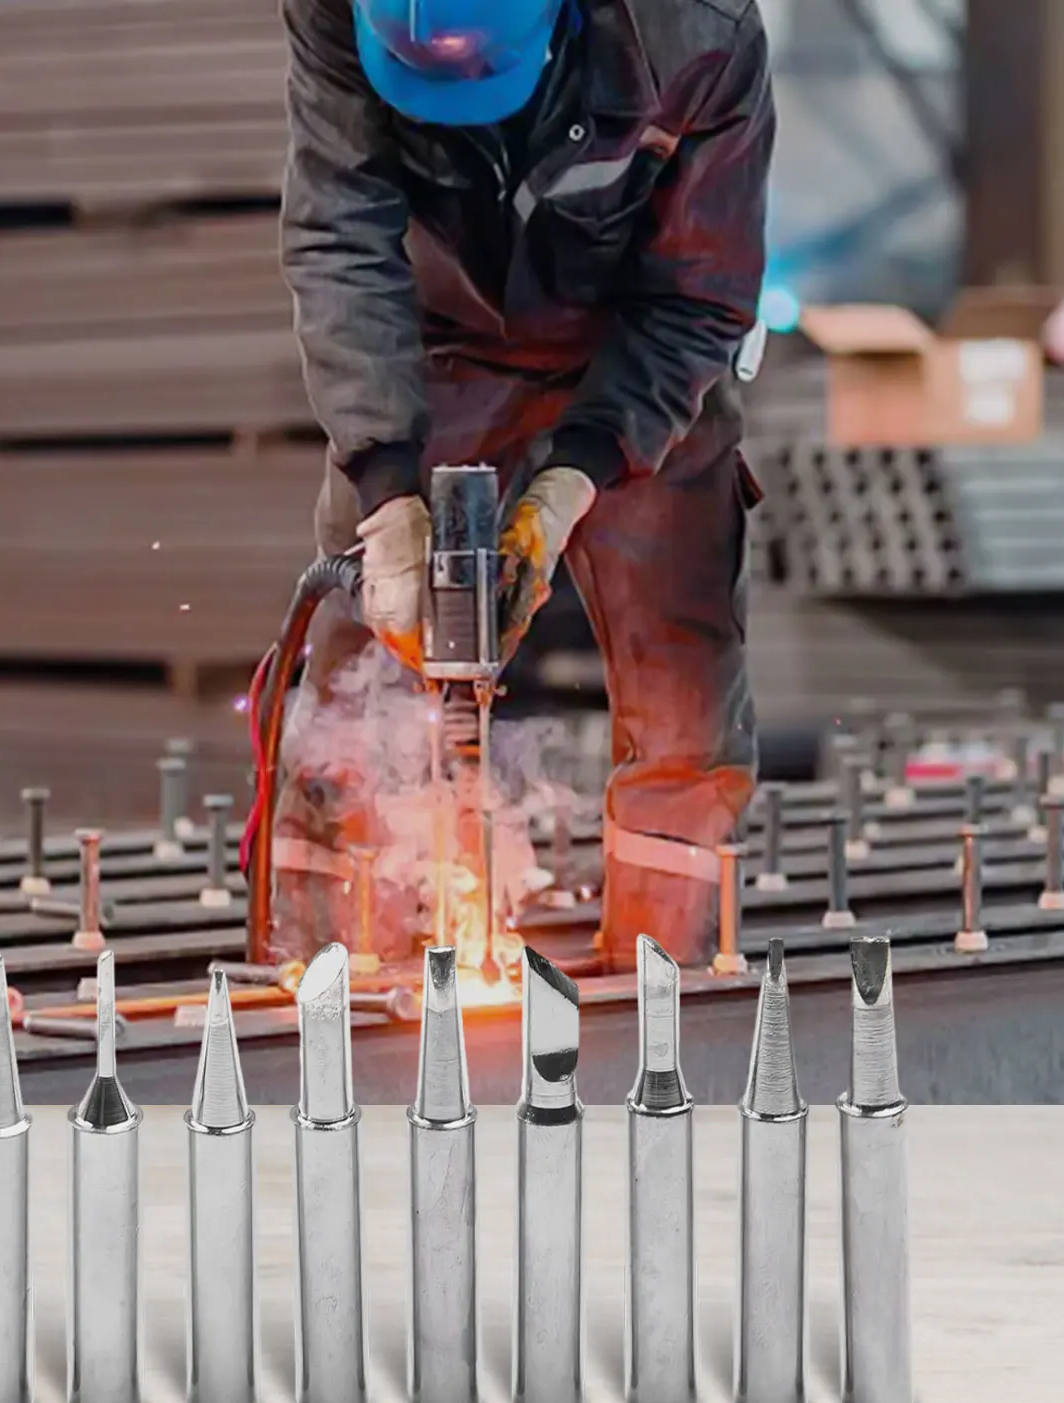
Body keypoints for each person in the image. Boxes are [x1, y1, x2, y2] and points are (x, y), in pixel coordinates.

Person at [270, 0, 774, 970]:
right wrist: (387, 490)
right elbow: (338, 238)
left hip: (639, 355)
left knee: (682, 686)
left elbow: (699, 299)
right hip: (441, 345)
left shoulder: (698, 34)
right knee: (356, 679)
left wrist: (571, 479)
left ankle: (662, 981)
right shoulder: (336, 10)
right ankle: (337, 975)